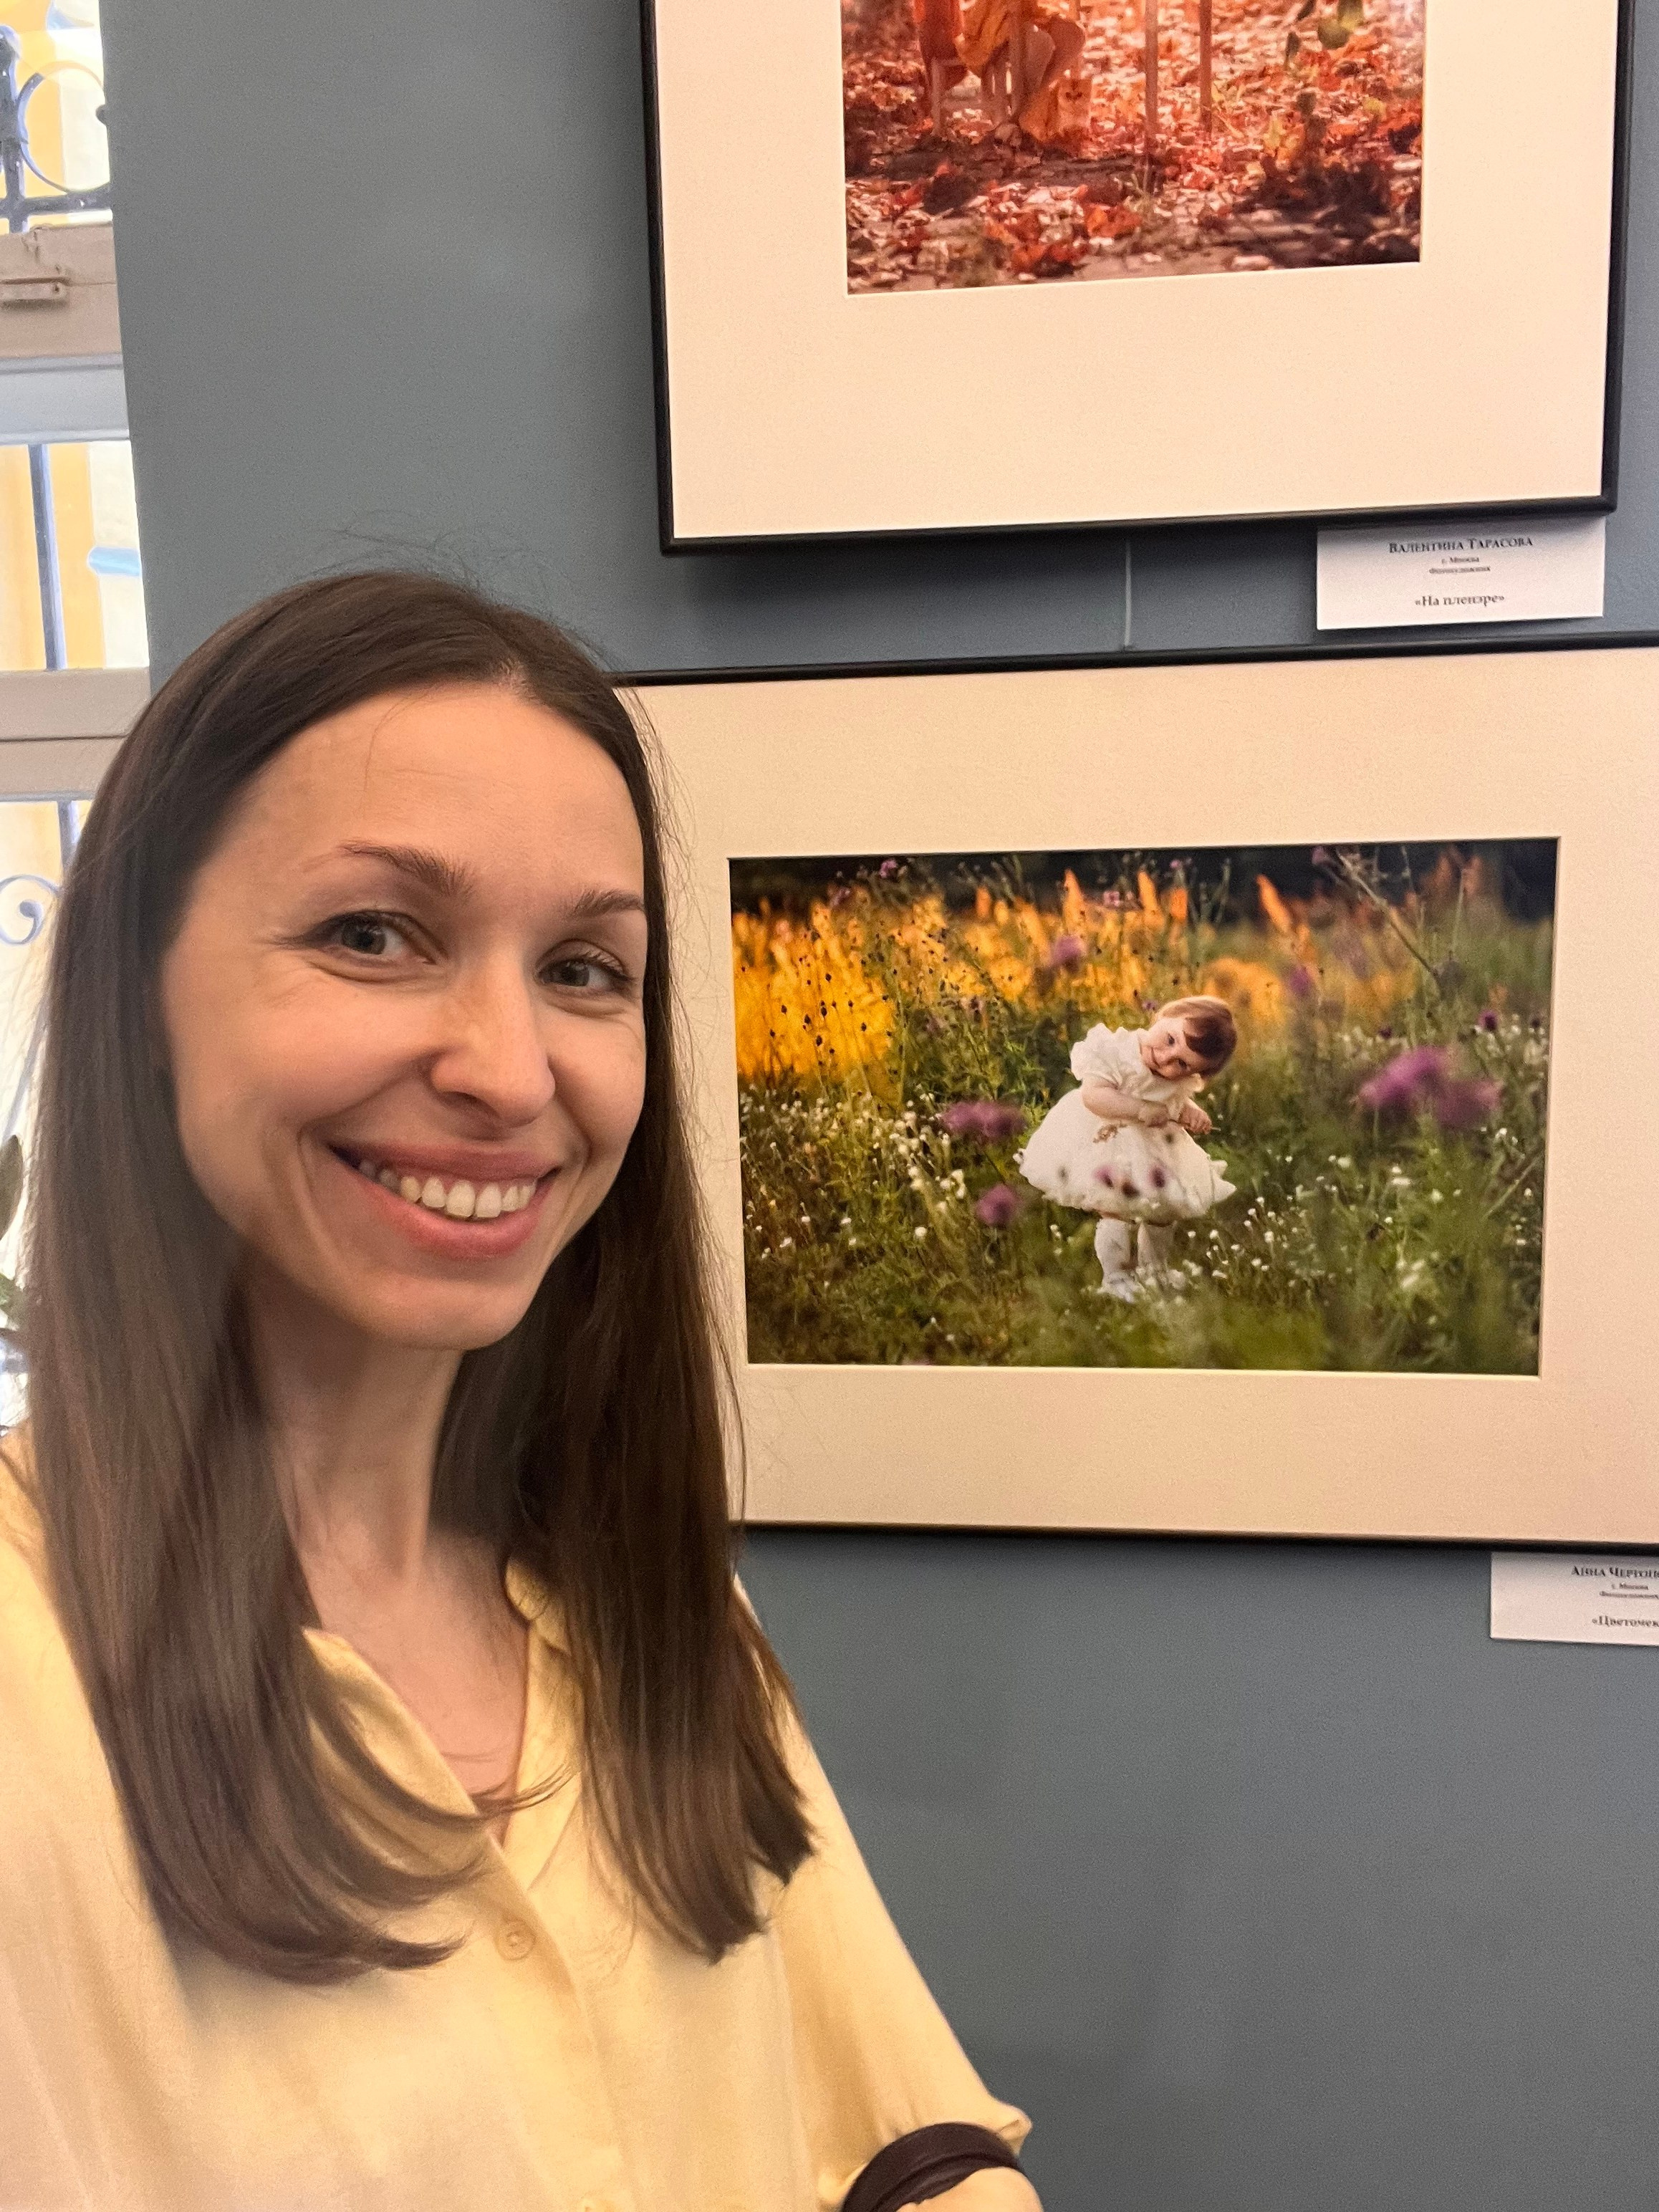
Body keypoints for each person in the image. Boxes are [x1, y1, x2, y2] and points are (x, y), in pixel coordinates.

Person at [0, 572, 1039, 2212]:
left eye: (583, 969)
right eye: (372, 934)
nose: (508, 1068)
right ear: (139, 991)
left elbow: (898, 2148)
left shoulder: (653, 1611)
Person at [1019, 996, 1237, 1297]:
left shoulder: (1173, 1077)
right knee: (1115, 1208)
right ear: (1165, 1015)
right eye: (1171, 1039)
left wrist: (1190, 1112)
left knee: (1164, 1208)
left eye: (1183, 1064)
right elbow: (1093, 1096)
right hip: (1108, 1141)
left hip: (1154, 1150)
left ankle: (1154, 1270)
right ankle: (1117, 1277)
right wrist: (1139, 1109)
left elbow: (1174, 1099)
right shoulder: (1115, 1051)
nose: (1166, 1058)